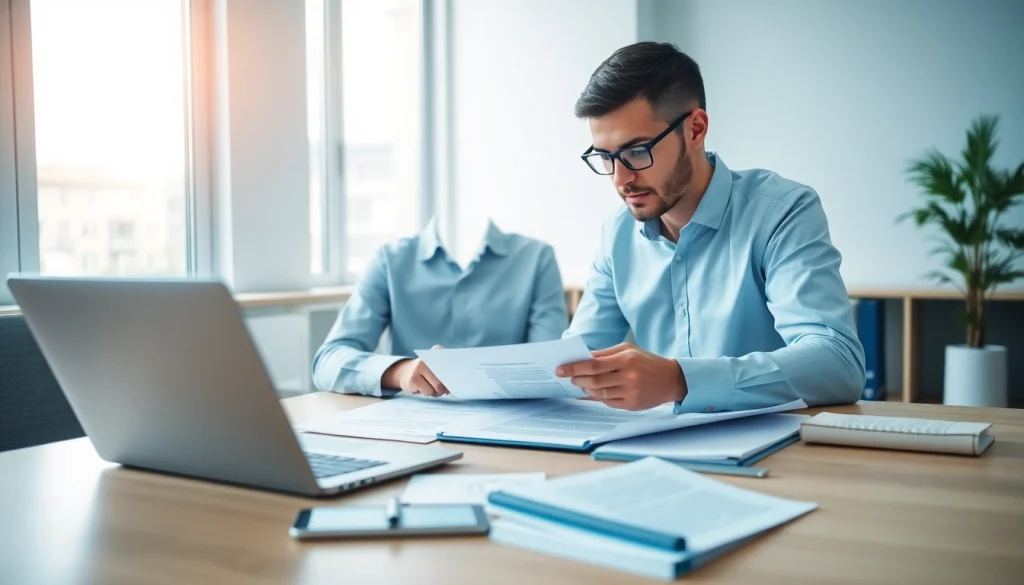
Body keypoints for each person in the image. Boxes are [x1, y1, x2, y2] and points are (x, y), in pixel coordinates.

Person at [556, 41, 865, 413]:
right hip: (657, 448)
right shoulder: (616, 234)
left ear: (696, 129)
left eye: (637, 151)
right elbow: (576, 360)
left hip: (776, 458)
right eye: (606, 157)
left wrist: (678, 380)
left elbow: (838, 364)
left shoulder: (782, 212)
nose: (621, 179)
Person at [312, 214, 568, 398]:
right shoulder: (390, 261)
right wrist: (400, 372)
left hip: (515, 423)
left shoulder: (537, 258)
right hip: (411, 426)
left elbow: (553, 367)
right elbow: (327, 361)